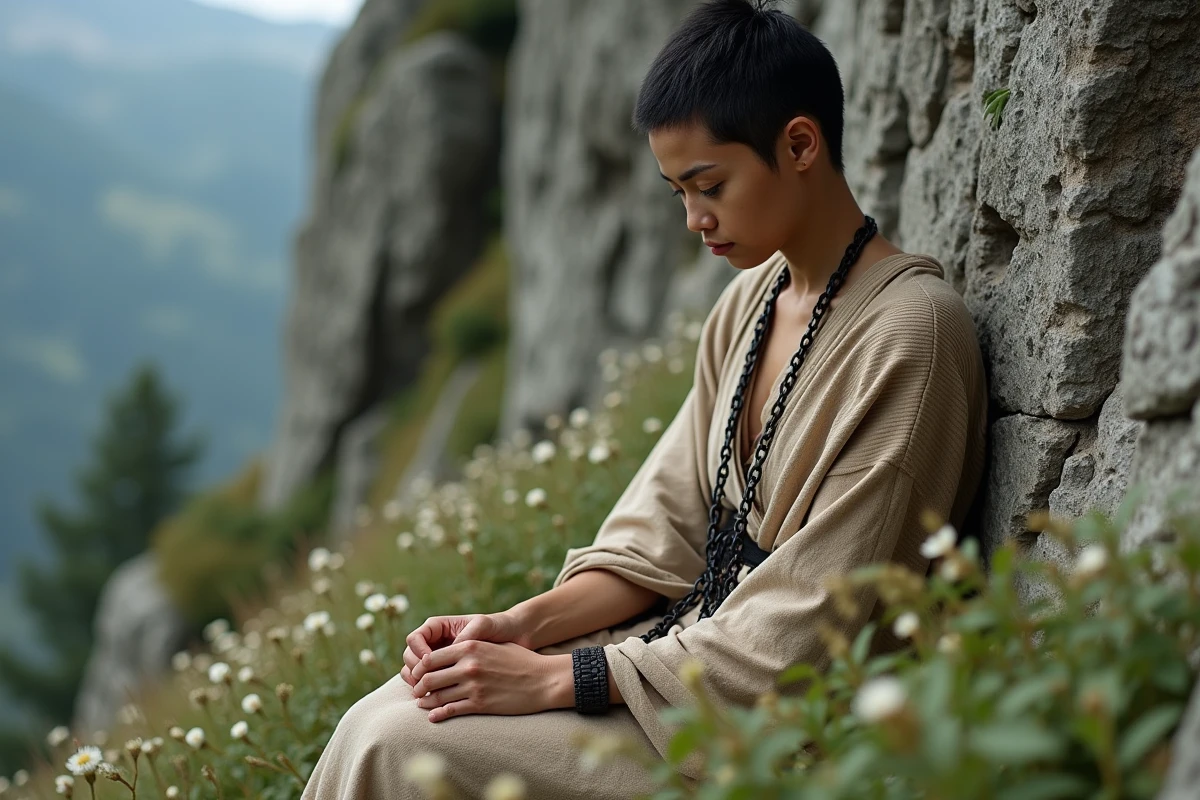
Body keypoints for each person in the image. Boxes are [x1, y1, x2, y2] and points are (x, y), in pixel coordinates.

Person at [302, 0, 989, 797]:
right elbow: (663, 533)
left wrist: (558, 678)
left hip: (774, 726)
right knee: (380, 713)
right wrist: (517, 628)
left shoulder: (912, 336)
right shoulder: (750, 303)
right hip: (679, 658)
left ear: (800, 145)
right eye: (678, 193)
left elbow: (810, 630)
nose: (696, 219)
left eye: (710, 185)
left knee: (397, 745)